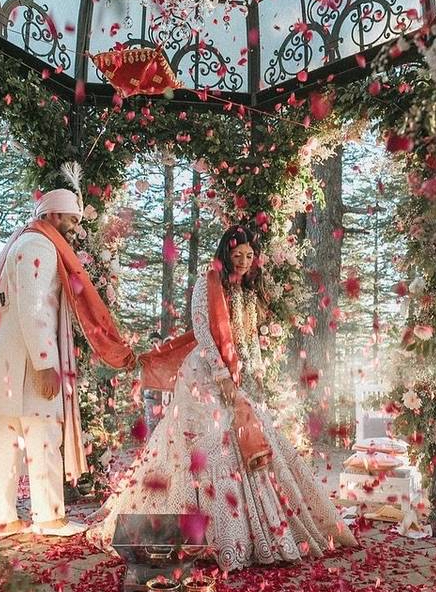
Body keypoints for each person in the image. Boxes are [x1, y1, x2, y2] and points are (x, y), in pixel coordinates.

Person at [86, 225, 357, 571]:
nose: (243, 261)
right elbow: (203, 333)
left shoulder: (247, 289)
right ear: (225, 254)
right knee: (209, 445)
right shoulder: (207, 282)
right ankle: (203, 536)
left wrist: (248, 377)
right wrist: (223, 378)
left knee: (248, 439)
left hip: (237, 374)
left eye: (249, 256)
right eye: (237, 255)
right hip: (204, 376)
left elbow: (248, 339)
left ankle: (250, 535)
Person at [0, 188, 135, 538]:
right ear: (52, 215)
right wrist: (46, 363)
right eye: (71, 219)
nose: (75, 228)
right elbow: (35, 309)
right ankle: (48, 517)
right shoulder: (39, 246)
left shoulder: (23, 241)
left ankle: (3, 518)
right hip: (29, 364)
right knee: (43, 434)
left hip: (11, 360)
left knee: (8, 439)